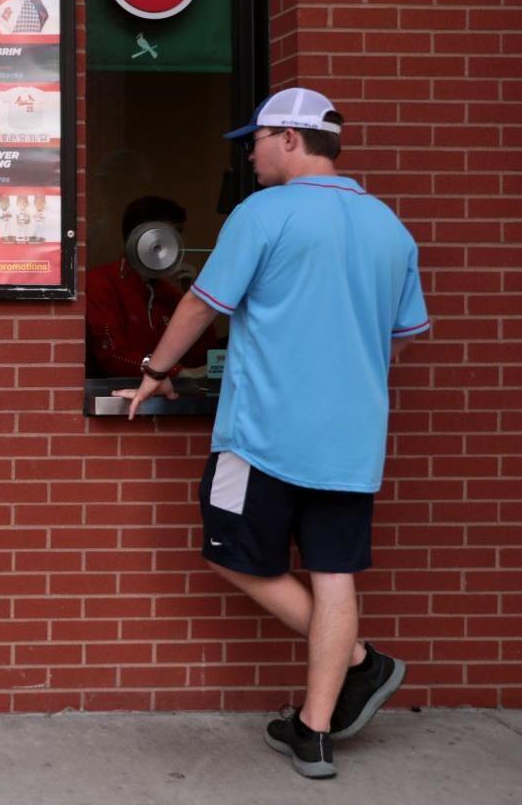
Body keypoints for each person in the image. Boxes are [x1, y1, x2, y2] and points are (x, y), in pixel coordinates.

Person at [118, 88, 429, 779]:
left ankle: (358, 662)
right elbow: (399, 339)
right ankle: (314, 733)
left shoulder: (264, 213)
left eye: (254, 140)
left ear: (289, 139)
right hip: (351, 438)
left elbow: (202, 303)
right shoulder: (388, 227)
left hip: (263, 432)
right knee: (334, 577)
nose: (249, 154)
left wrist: (155, 370)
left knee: (232, 554)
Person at [85, 195, 218, 378]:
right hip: (115, 397)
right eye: (169, 236)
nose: (177, 245)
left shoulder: (169, 294)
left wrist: (196, 295)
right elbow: (112, 355)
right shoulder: (100, 283)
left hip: (163, 398)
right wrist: (175, 373)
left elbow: (202, 356)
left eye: (179, 234)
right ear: (142, 237)